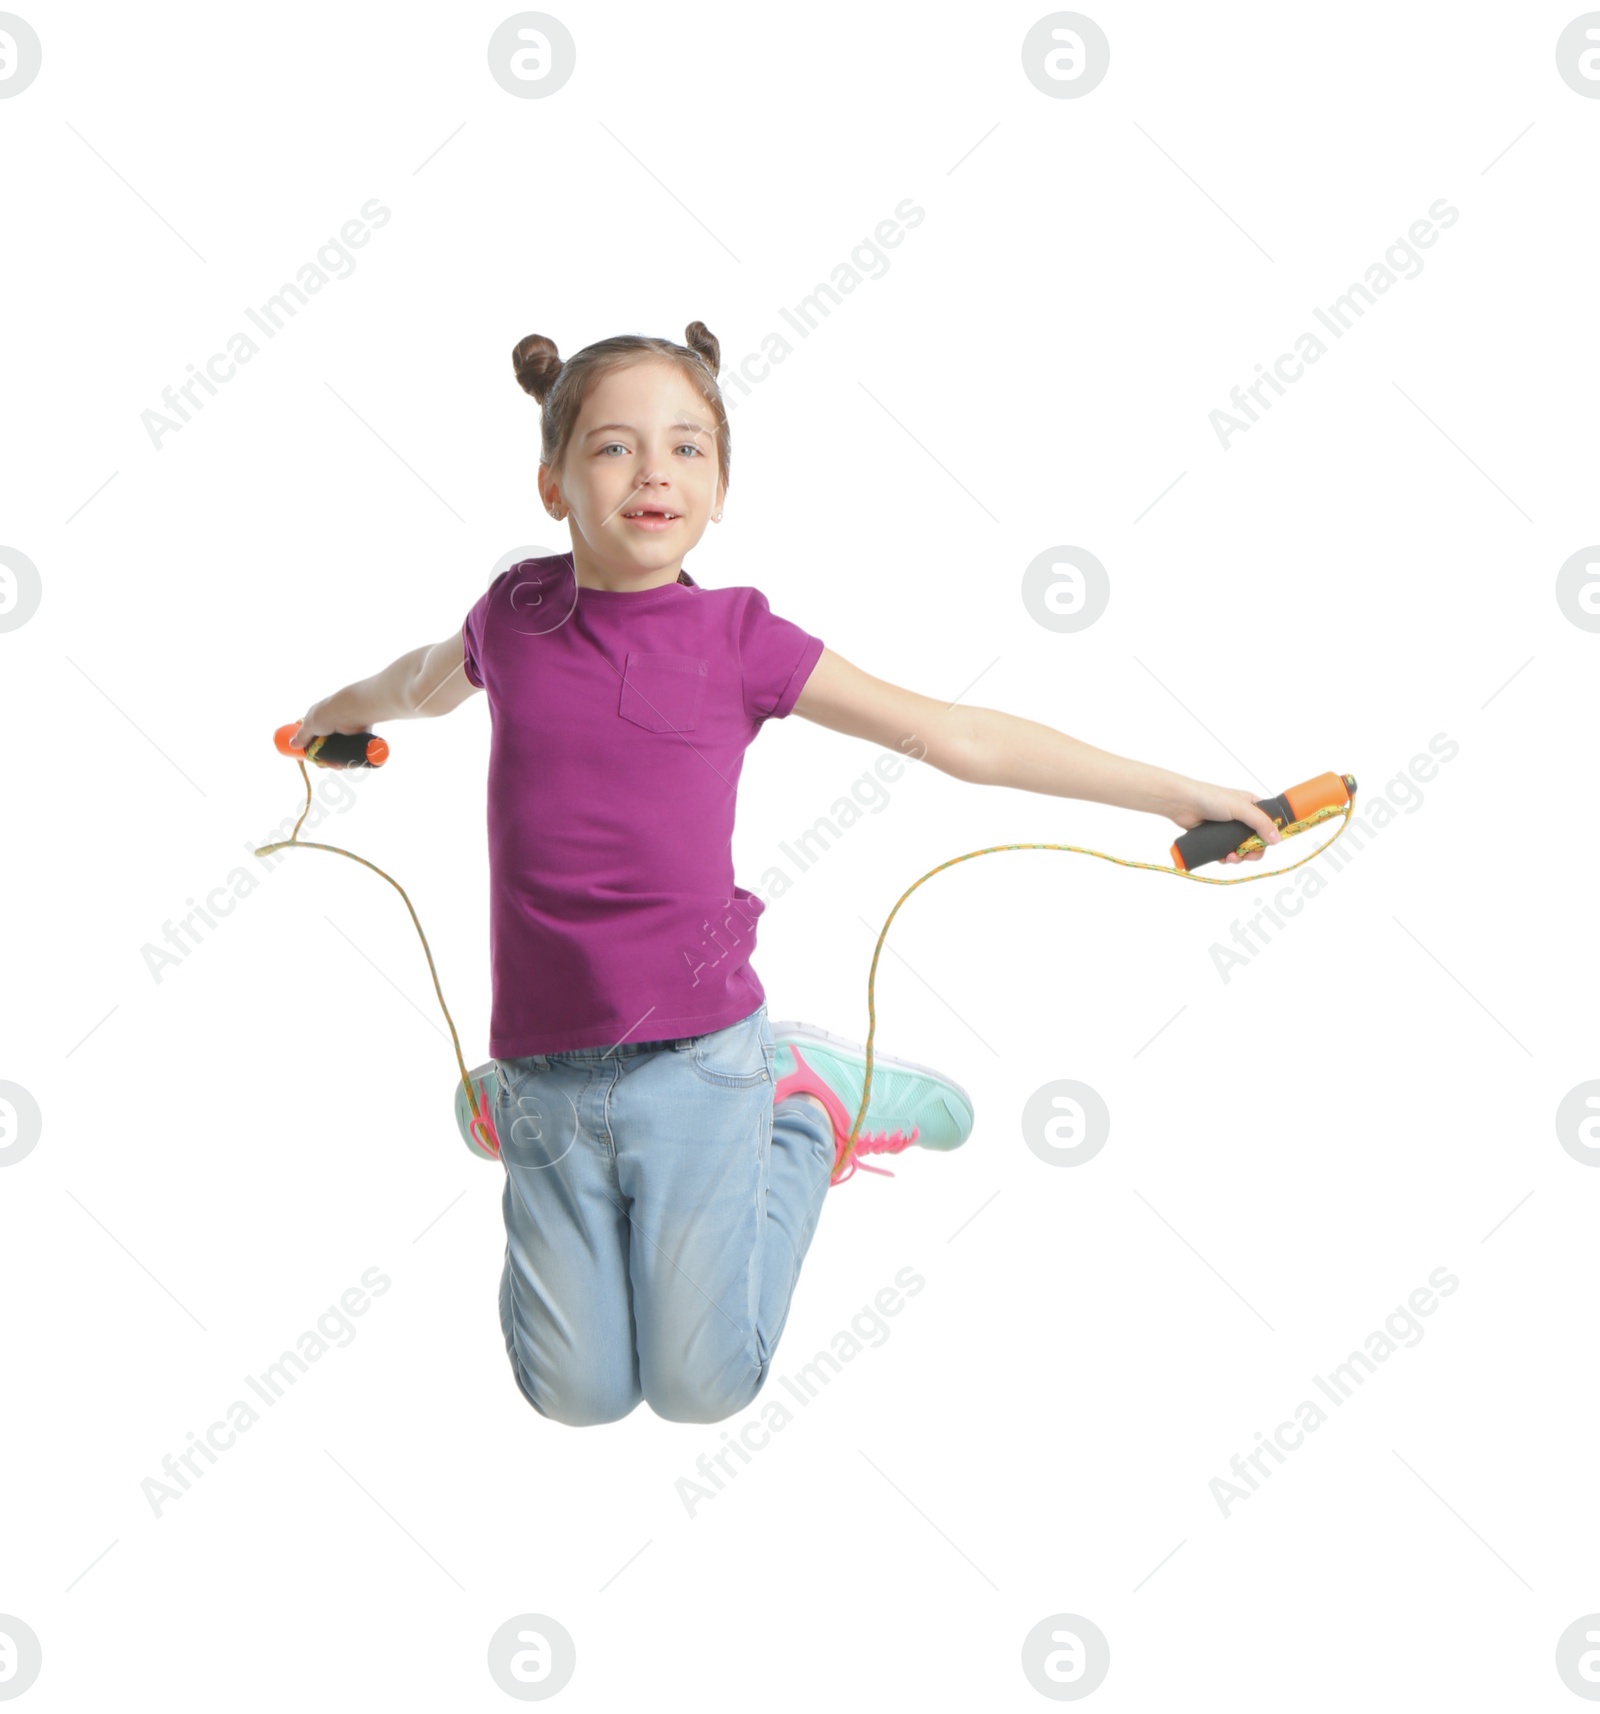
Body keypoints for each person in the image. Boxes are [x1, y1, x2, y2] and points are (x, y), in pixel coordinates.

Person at [290, 320, 1281, 1429]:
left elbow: (955, 735)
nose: (655, 470)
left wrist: (1178, 794)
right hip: (543, 1067)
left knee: (704, 1392)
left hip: (700, 1062)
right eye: (615, 448)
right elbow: (419, 683)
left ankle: (801, 1106)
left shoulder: (737, 638)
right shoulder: (514, 616)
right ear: (552, 485)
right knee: (574, 1398)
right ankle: (514, 1108)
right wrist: (322, 721)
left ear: (719, 487)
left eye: (688, 448)